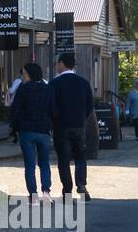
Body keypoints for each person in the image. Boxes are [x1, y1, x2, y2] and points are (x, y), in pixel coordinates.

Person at [49, 52, 94, 200]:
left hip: (61, 126)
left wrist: (53, 121)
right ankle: (81, 184)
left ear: (62, 63)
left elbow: (51, 105)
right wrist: (82, 119)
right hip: (79, 125)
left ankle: (67, 190)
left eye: (57, 63)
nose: (56, 66)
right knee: (81, 156)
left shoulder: (54, 83)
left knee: (64, 159)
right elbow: (89, 106)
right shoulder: (83, 82)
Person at [9, 62, 52, 204]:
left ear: (30, 75)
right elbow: (54, 110)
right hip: (44, 131)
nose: (22, 77)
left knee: (30, 166)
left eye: (24, 74)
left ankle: (33, 196)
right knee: (44, 163)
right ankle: (46, 192)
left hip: (26, 131)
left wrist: (14, 129)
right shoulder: (47, 89)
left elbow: (15, 111)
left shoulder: (23, 90)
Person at [5, 67, 26, 143]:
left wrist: (9, 89)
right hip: (24, 104)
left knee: (14, 119)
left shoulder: (18, 81)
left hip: (16, 103)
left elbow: (12, 91)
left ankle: (15, 135)